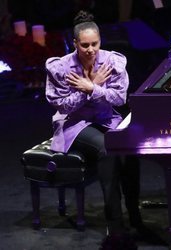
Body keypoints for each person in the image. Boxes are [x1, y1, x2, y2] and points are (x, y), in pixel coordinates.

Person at [45, 10, 140, 248]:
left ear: (100, 41)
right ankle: (115, 226)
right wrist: (88, 88)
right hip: (74, 125)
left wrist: (93, 88)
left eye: (95, 44)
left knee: (129, 150)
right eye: (85, 44)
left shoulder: (113, 61)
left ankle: (134, 211)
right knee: (107, 150)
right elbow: (62, 106)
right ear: (75, 43)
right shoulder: (60, 68)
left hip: (108, 119)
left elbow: (119, 99)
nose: (90, 49)